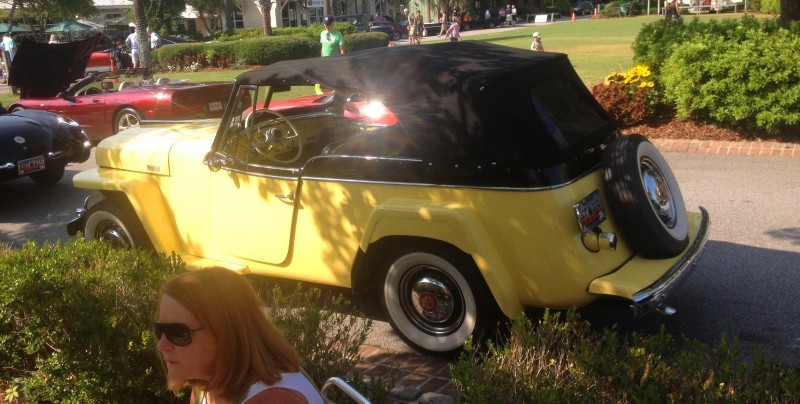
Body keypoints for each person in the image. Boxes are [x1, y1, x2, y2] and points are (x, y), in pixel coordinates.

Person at [154, 268, 324, 404]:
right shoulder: (207, 382)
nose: (161, 345)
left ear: (225, 335)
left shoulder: (276, 399)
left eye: (177, 333)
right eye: (160, 330)